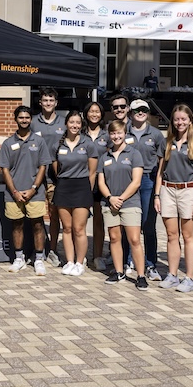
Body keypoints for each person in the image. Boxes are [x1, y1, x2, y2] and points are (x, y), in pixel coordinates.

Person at [154, 104, 193, 293]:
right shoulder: (166, 142)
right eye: (177, 119)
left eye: (183, 119)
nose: (180, 122)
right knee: (171, 235)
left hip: (189, 191)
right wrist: (157, 195)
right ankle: (172, 275)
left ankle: (190, 278)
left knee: (188, 236)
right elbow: (160, 172)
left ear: (190, 121)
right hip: (168, 190)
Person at [0, 105, 52, 276]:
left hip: (34, 192)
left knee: (38, 225)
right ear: (16, 119)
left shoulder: (39, 141)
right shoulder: (8, 143)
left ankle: (39, 259)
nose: (24, 120)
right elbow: (4, 169)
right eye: (21, 117)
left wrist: (34, 188)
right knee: (17, 225)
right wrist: (14, 191)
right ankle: (19, 258)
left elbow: (43, 166)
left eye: (27, 117)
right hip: (14, 194)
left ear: (31, 119)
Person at [97, 120, 149, 291]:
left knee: (134, 239)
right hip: (110, 203)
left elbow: (136, 182)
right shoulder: (105, 157)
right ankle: (119, 272)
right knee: (114, 238)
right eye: (113, 133)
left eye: (119, 133)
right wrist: (111, 198)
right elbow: (101, 182)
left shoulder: (134, 154)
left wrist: (121, 199)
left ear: (125, 133)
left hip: (130, 203)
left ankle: (141, 275)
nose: (116, 136)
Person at [122, 99, 165, 282]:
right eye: (136, 110)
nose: (140, 112)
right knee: (129, 223)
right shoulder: (123, 132)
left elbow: (162, 161)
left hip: (148, 180)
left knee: (148, 225)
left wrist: (158, 190)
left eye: (144, 110)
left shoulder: (156, 135)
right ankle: (128, 260)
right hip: (127, 181)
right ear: (130, 113)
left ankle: (150, 263)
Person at [52, 110, 97, 276]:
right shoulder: (57, 145)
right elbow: (56, 169)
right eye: (72, 122)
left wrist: (87, 189)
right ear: (66, 124)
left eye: (78, 123)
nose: (75, 126)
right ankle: (70, 261)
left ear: (81, 124)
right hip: (63, 187)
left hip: (82, 188)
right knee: (67, 228)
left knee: (79, 229)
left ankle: (80, 262)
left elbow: (92, 172)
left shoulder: (88, 144)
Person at [30, 87, 66, 267]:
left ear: (56, 103)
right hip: (36, 174)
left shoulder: (64, 123)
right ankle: (36, 248)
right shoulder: (33, 122)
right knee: (35, 212)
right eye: (45, 100)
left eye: (51, 100)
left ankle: (52, 249)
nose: (48, 103)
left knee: (53, 214)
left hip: (55, 177)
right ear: (40, 103)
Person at [83, 101, 109, 272]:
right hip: (82, 181)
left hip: (101, 182)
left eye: (97, 112)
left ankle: (98, 256)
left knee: (99, 221)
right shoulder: (79, 134)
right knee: (80, 221)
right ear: (86, 114)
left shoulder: (107, 135)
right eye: (91, 111)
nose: (94, 114)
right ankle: (81, 256)